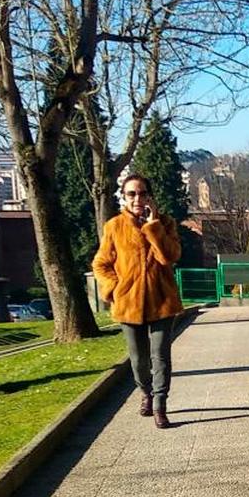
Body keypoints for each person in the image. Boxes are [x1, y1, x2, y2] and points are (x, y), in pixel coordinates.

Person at [93, 174, 183, 429]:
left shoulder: (165, 223)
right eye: (131, 194)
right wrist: (114, 288)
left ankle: (159, 405)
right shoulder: (114, 226)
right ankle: (145, 391)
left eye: (142, 193)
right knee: (139, 360)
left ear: (150, 196)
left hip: (162, 302)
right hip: (129, 304)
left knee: (161, 356)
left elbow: (169, 256)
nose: (137, 198)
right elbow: (100, 264)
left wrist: (154, 227)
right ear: (124, 197)